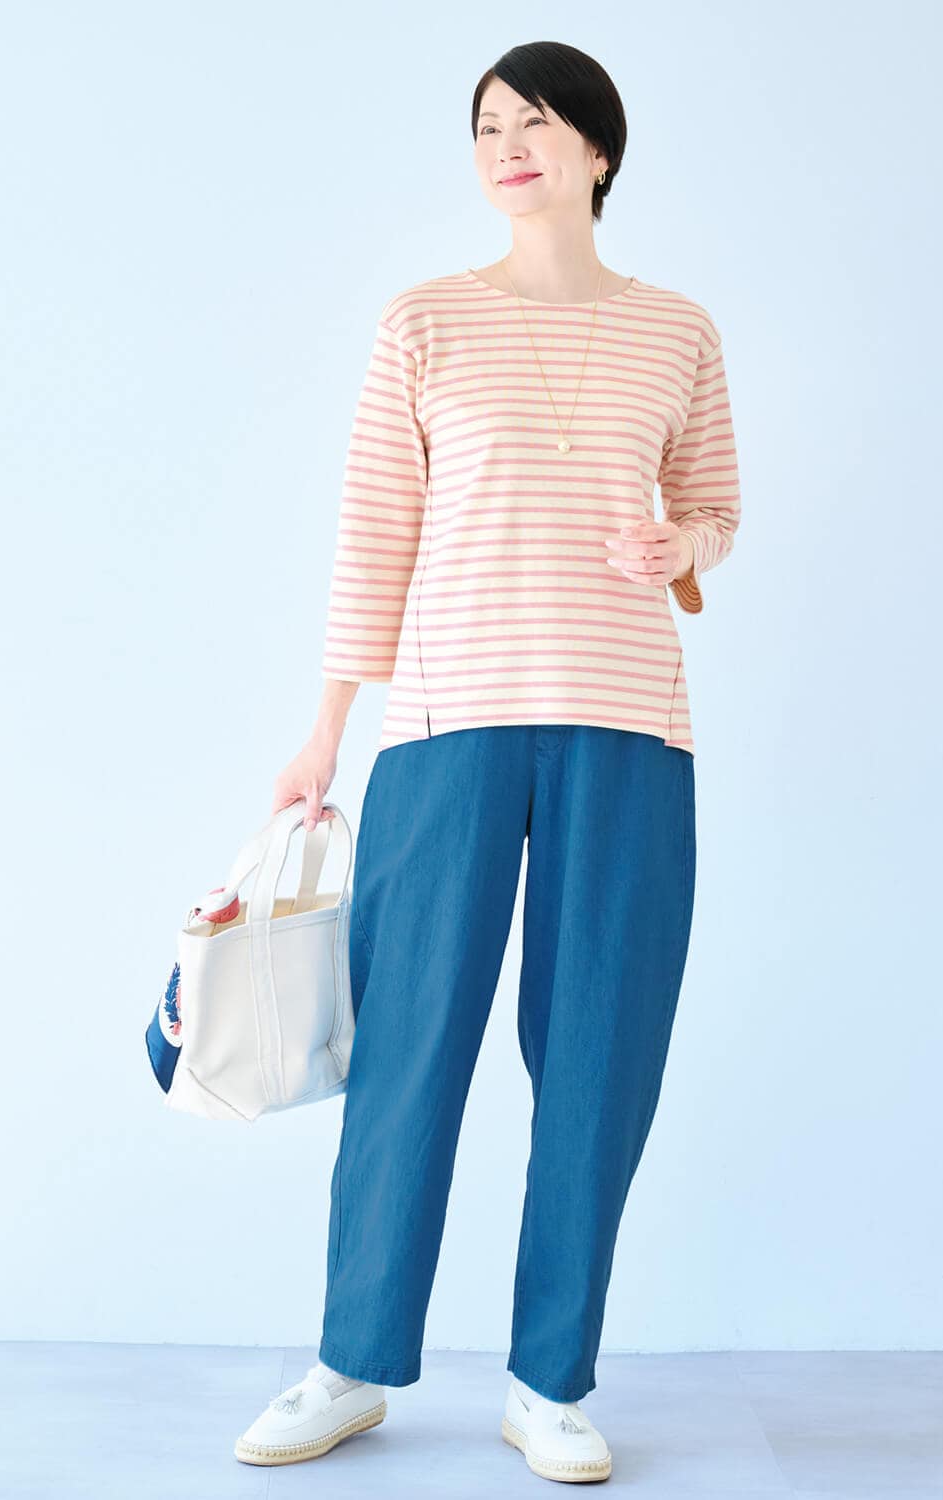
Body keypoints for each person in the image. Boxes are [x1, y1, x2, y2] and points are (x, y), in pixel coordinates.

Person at [235, 39, 741, 1484]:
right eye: (486, 127)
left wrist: (683, 542)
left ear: (599, 149)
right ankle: (351, 1364)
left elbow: (717, 507)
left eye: (536, 122)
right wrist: (325, 730)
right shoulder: (425, 322)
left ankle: (550, 1382)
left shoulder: (679, 329)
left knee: (597, 1057)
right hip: (447, 726)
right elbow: (373, 534)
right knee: (407, 1050)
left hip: (628, 725)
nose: (507, 146)